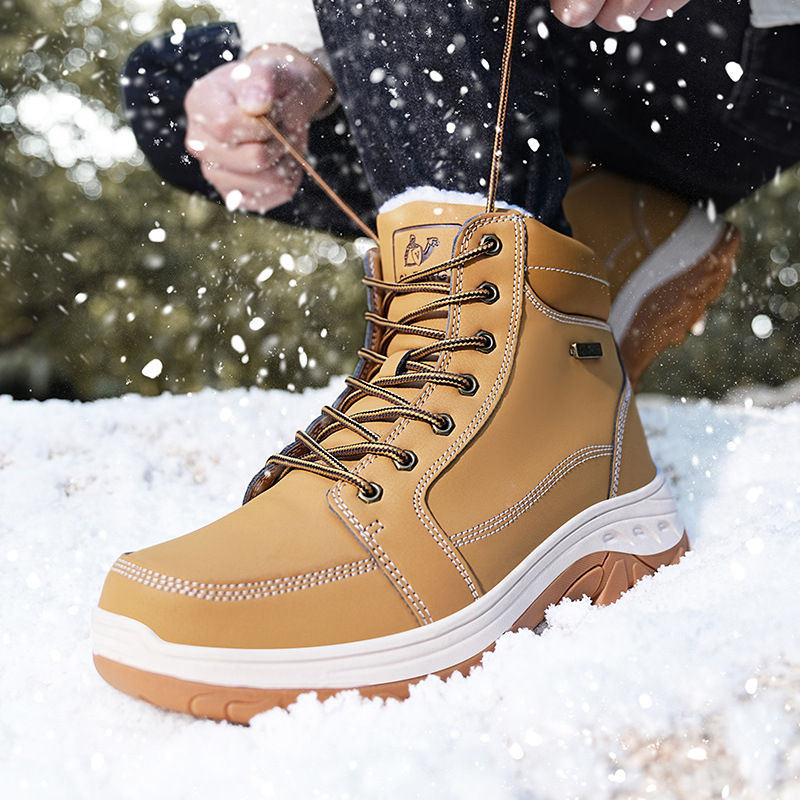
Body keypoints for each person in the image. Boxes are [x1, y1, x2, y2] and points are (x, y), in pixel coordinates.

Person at [93, 0, 800, 722]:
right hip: (552, 64)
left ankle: (529, 379)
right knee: (171, 84)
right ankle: (585, 237)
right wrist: (300, 52)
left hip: (733, 56)